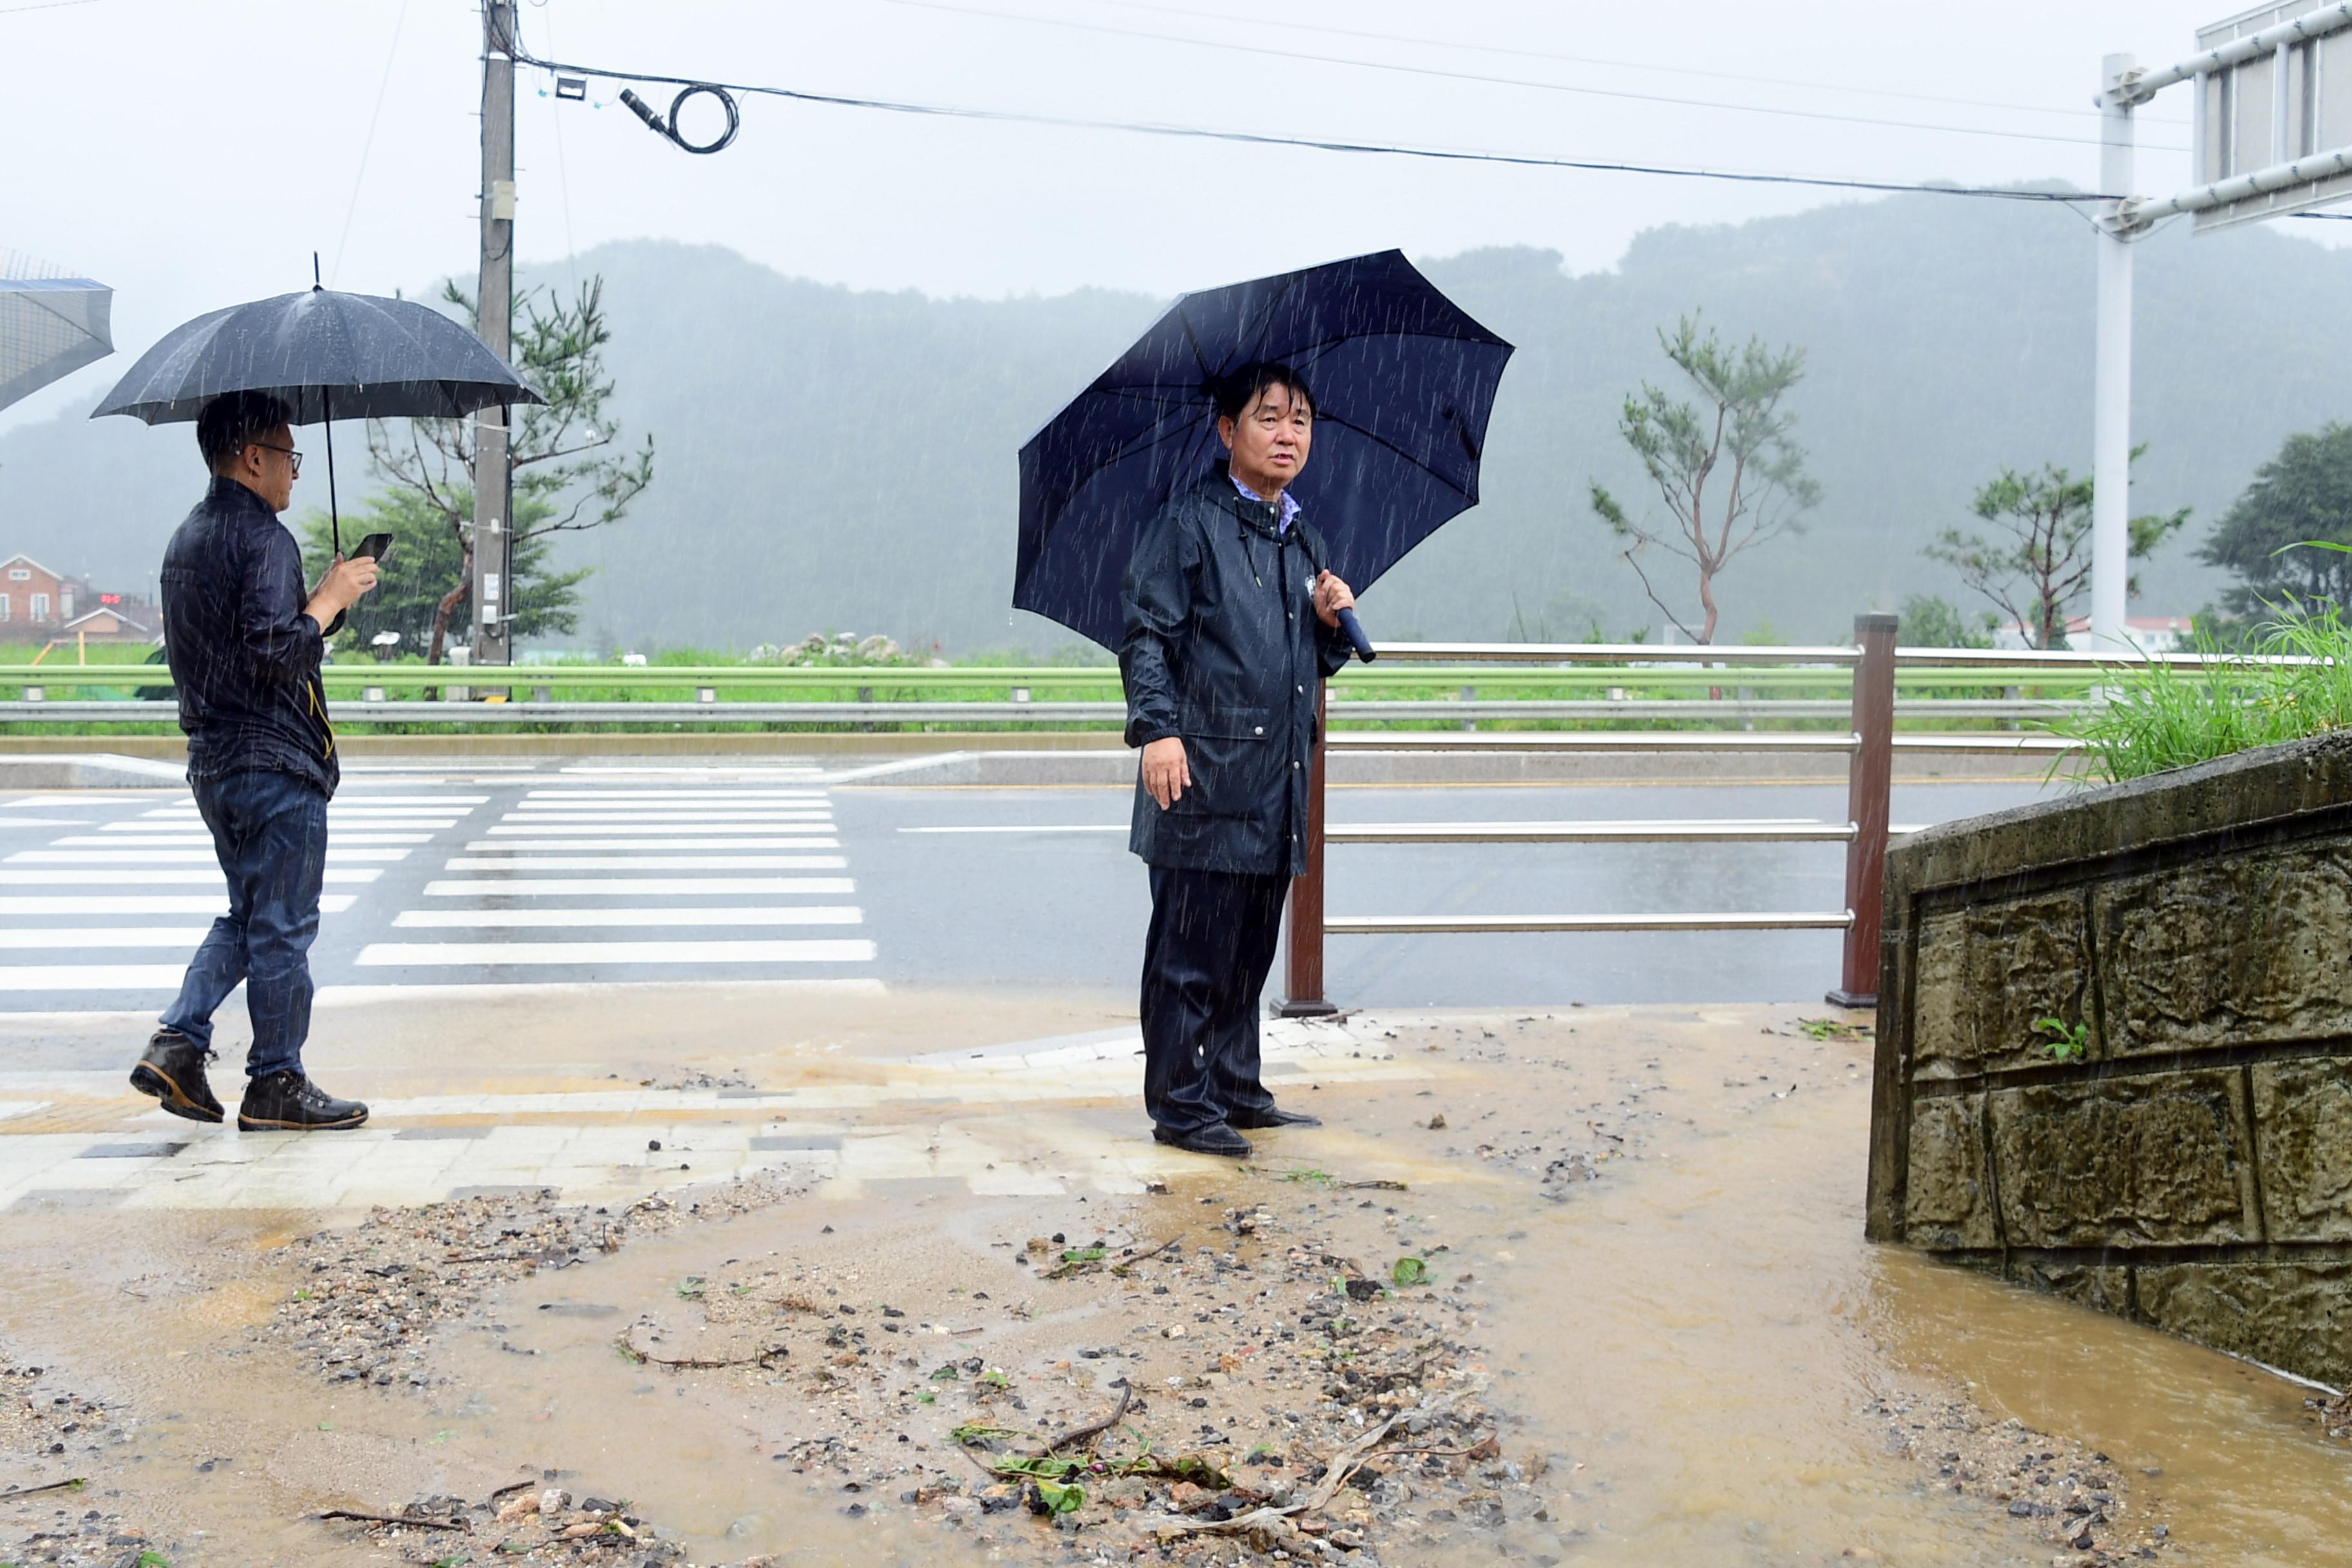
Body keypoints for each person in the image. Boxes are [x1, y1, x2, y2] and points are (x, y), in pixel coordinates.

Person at [1119, 363, 1358, 1157]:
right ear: (1228, 431)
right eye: (1269, 418)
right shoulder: (1188, 525)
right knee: (1191, 953)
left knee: (1249, 951)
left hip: (1274, 780)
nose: (1289, 434)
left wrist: (1329, 626)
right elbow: (1147, 635)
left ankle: (1233, 1086)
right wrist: (1156, 728)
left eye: (1302, 420)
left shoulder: (1304, 539)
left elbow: (1300, 670)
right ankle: (1181, 1105)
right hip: (1199, 774)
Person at [128, 391, 380, 1132]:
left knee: (247, 914)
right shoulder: (264, 539)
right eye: (288, 456)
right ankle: (276, 1079)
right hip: (274, 764)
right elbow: (278, 656)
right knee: (282, 926)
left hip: (213, 762)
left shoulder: (187, 539)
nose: (295, 474)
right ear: (253, 457)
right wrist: (327, 602)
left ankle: (178, 1040)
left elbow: (241, 645)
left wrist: (314, 605)